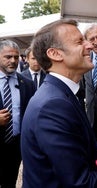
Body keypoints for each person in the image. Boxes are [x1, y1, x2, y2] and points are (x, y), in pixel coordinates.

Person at [21, 19, 97, 188]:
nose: (89, 45)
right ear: (55, 54)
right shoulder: (52, 105)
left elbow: (82, 144)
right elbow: (79, 182)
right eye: (80, 41)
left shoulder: (60, 94)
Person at [0, 40, 35, 188]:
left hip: (15, 147)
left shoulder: (27, 83)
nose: (13, 61)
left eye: (15, 57)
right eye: (8, 57)